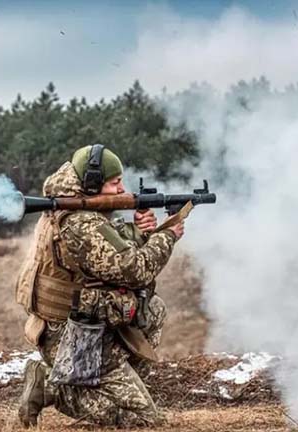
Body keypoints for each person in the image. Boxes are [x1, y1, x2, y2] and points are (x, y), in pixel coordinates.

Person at [15, 144, 184, 427]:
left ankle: (113, 390)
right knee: (144, 422)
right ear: (92, 184)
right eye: (115, 182)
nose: (121, 190)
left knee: (152, 310)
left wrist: (139, 233)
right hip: (71, 336)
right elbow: (135, 271)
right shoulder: (80, 222)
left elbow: (105, 252)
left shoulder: (72, 205)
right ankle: (51, 387)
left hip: (82, 323)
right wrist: (167, 235)